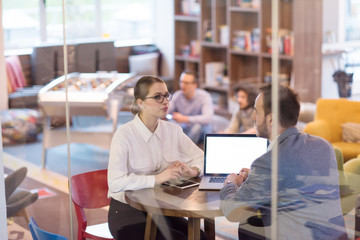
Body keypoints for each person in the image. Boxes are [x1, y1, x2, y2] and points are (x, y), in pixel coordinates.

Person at [220, 83, 347, 240]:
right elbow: (296, 176)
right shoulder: (324, 146)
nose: (253, 117)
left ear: (271, 119)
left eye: (256, 111)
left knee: (247, 220)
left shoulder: (267, 163)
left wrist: (230, 184)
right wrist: (256, 177)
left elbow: (233, 212)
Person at [107, 76, 206, 240]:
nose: (165, 101)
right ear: (140, 103)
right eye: (157, 97)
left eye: (167, 95)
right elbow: (115, 182)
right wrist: (157, 178)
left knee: (199, 237)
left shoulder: (173, 130)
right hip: (127, 210)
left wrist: (193, 171)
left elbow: (202, 158)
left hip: (161, 208)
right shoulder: (124, 135)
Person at [168, 70, 214, 144]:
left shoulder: (204, 97)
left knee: (197, 127)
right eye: (181, 82)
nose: (182, 85)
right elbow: (167, 110)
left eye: (186, 83)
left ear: (194, 85)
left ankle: (185, 148)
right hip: (185, 129)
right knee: (170, 123)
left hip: (201, 132)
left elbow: (207, 118)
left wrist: (185, 118)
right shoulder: (177, 95)